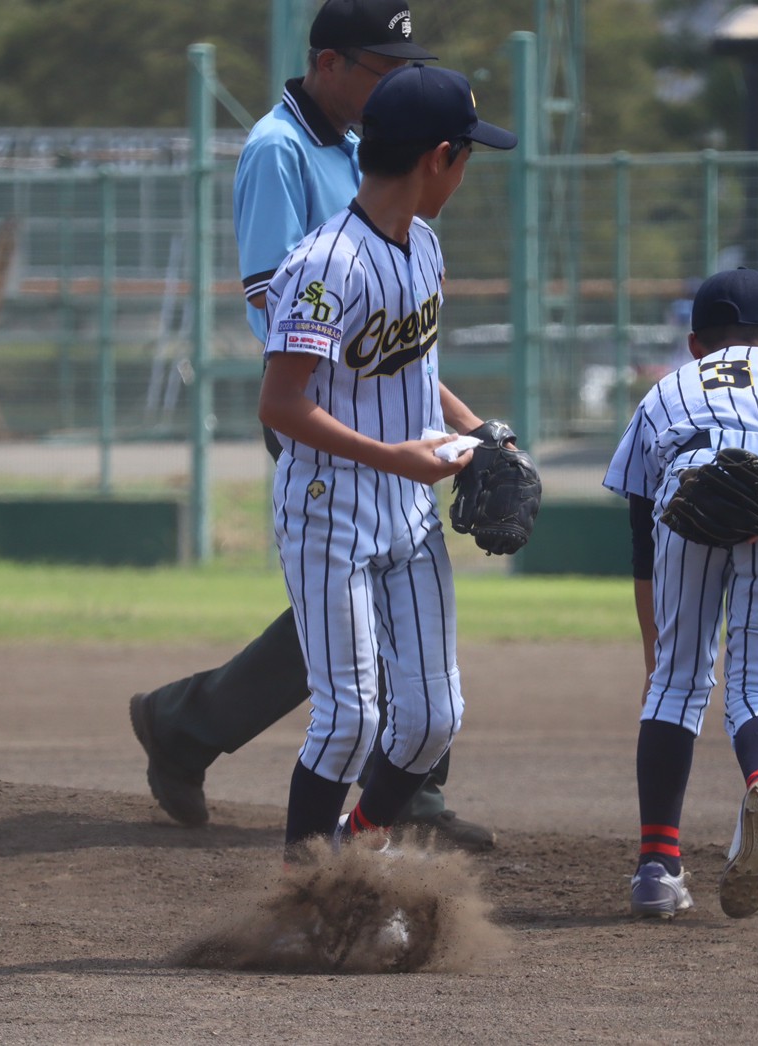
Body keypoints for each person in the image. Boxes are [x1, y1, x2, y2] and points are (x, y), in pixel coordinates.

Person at [127, 0, 496, 852]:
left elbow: (402, 341)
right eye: (378, 66)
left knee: (364, 635)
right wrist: (357, 420)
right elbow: (278, 305)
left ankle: (388, 786)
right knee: (343, 648)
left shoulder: (400, 193)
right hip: (320, 415)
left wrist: (477, 431)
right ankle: (209, 740)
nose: (393, 81)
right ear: (328, 63)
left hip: (382, 421)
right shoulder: (280, 151)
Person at [256, 62, 517, 858]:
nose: (468, 170)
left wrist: (484, 436)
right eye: (468, 154)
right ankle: (304, 895)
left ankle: (352, 843)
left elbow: (418, 373)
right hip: (329, 506)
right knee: (350, 718)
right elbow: (281, 403)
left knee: (434, 717)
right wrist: (393, 457)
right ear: (439, 156)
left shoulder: (423, 248)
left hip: (407, 510)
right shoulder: (326, 265)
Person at [602, 268, 758, 919]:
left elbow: (638, 533)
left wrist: (656, 650)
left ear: (694, 344)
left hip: (689, 484)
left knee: (676, 683)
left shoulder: (668, 388)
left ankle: (657, 869)